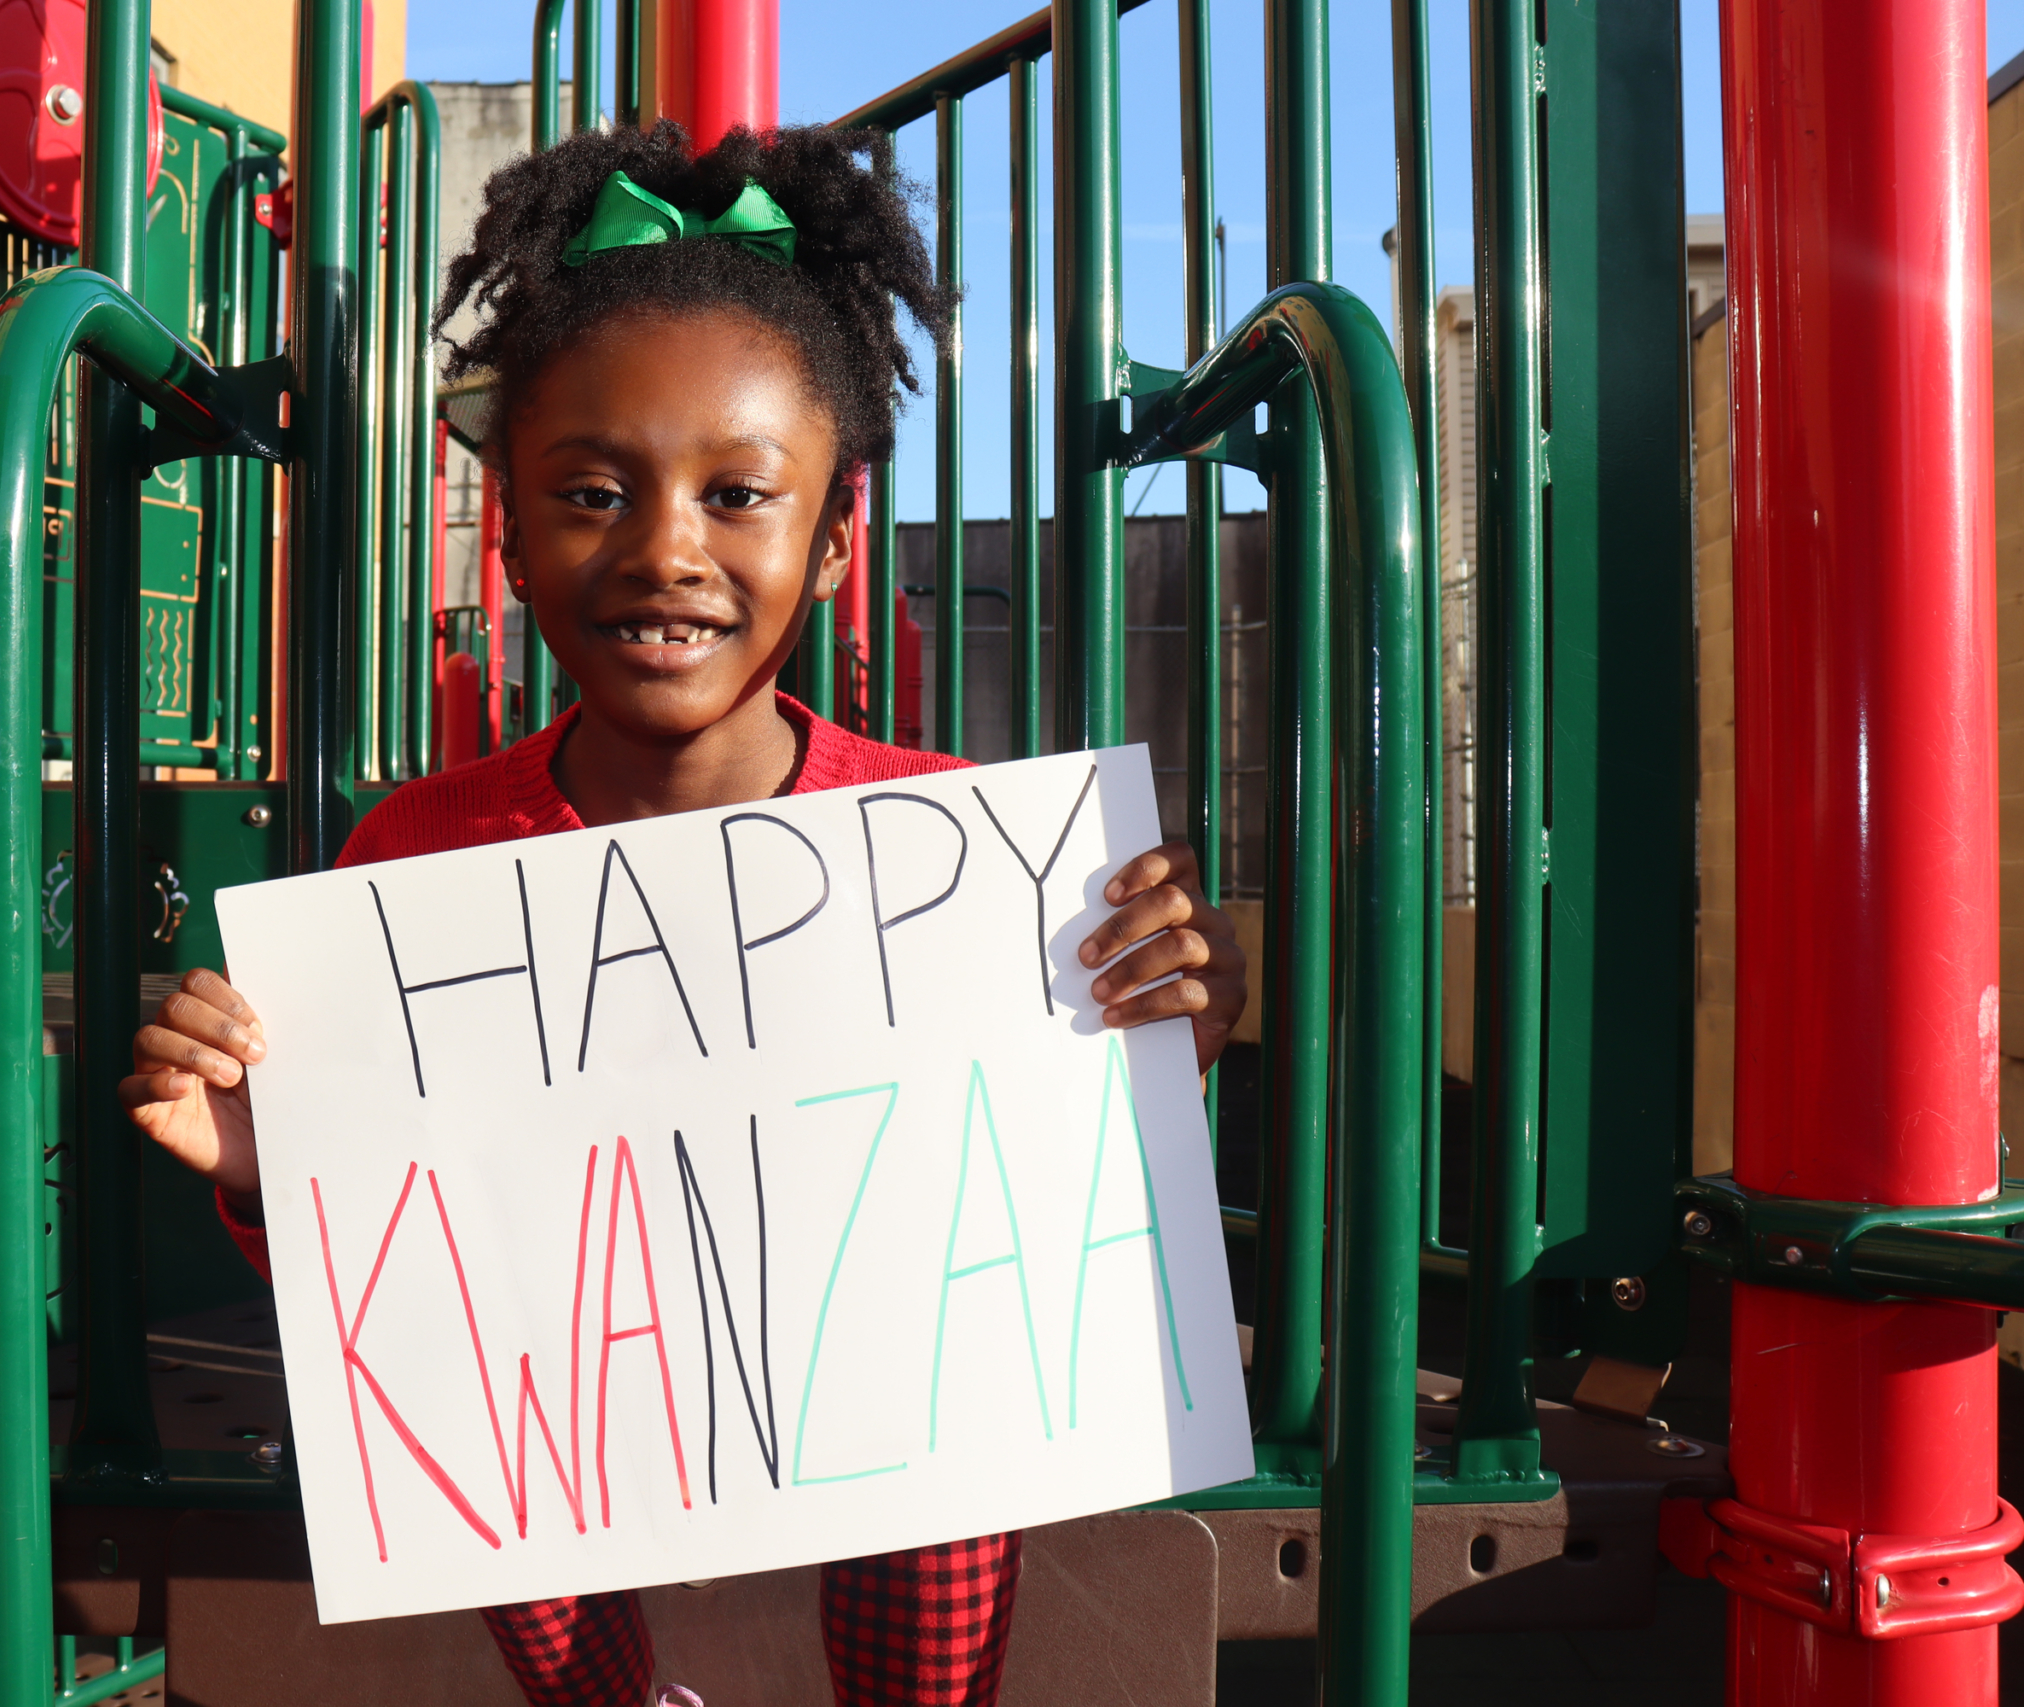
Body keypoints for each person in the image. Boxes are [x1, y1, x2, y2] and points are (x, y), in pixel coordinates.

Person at [121, 119, 1247, 1707]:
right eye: (590, 492)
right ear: (506, 536)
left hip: (874, 1413)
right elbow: (399, 1255)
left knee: (935, 1458)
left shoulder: (957, 841)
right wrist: (262, 1161)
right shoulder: (411, 859)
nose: (667, 550)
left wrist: (1175, 1018)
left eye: (739, 495)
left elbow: (1041, 1174)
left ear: (837, 541)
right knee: (500, 1399)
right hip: (581, 1417)